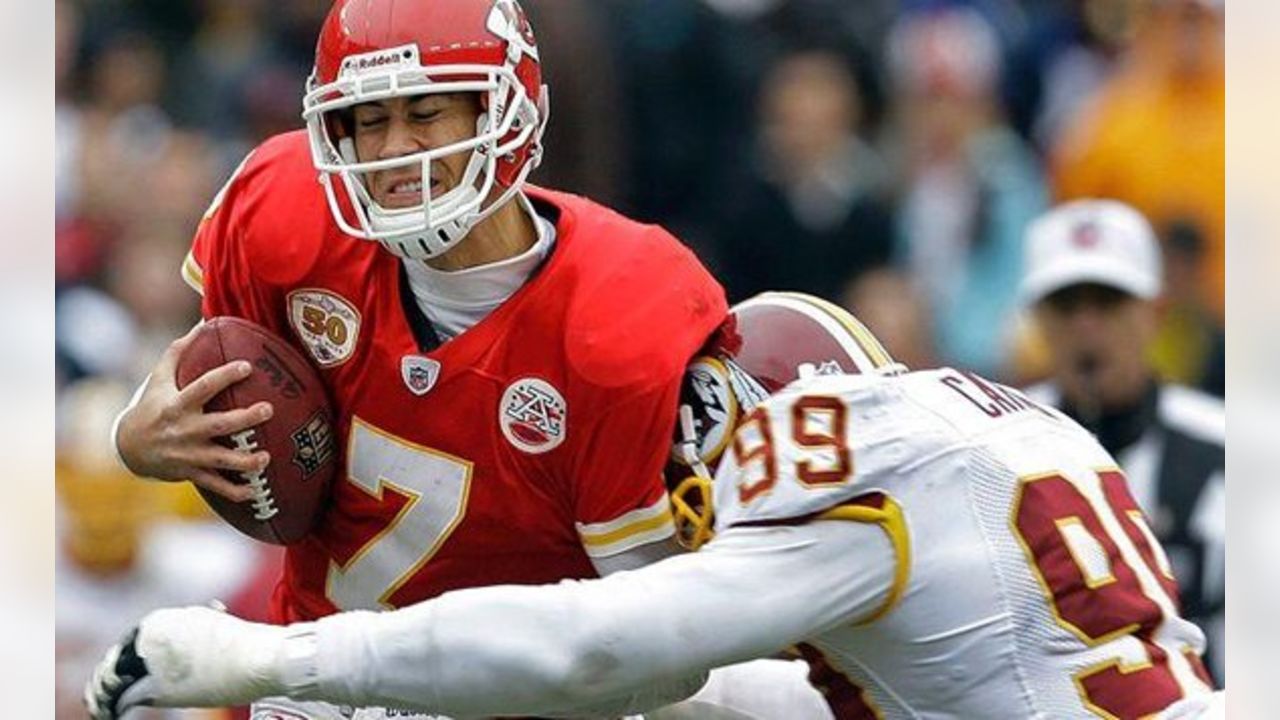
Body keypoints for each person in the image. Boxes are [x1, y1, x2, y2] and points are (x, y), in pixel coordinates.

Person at [101, 0, 800, 717]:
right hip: (318, 685)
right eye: (369, 121)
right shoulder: (285, 217)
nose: (394, 149)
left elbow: (654, 659)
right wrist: (140, 437)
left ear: (507, 112)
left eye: (426, 112)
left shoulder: (620, 315)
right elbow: (212, 387)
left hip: (525, 697)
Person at [87, 292, 1219, 719]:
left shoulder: (825, 452)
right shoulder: (1002, 434)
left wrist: (276, 662)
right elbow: (773, 689)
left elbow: (605, 643)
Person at [1019, 199, 1226, 682]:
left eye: (1108, 301)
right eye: (1066, 306)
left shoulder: (1230, 449)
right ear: (1038, 320)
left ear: (1155, 311)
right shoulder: (993, 448)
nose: (1087, 326)